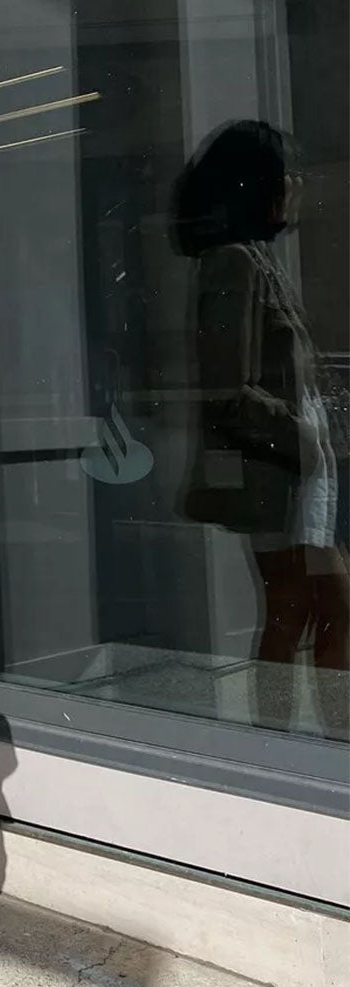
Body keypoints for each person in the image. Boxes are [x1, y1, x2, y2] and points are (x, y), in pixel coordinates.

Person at [176, 120, 348, 740]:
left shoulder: (256, 259)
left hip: (298, 470)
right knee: (315, 608)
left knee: (302, 609)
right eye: (286, 175)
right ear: (258, 186)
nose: (297, 185)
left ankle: (288, 745)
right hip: (281, 472)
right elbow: (228, 392)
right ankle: (309, 749)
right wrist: (304, 440)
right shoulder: (234, 264)